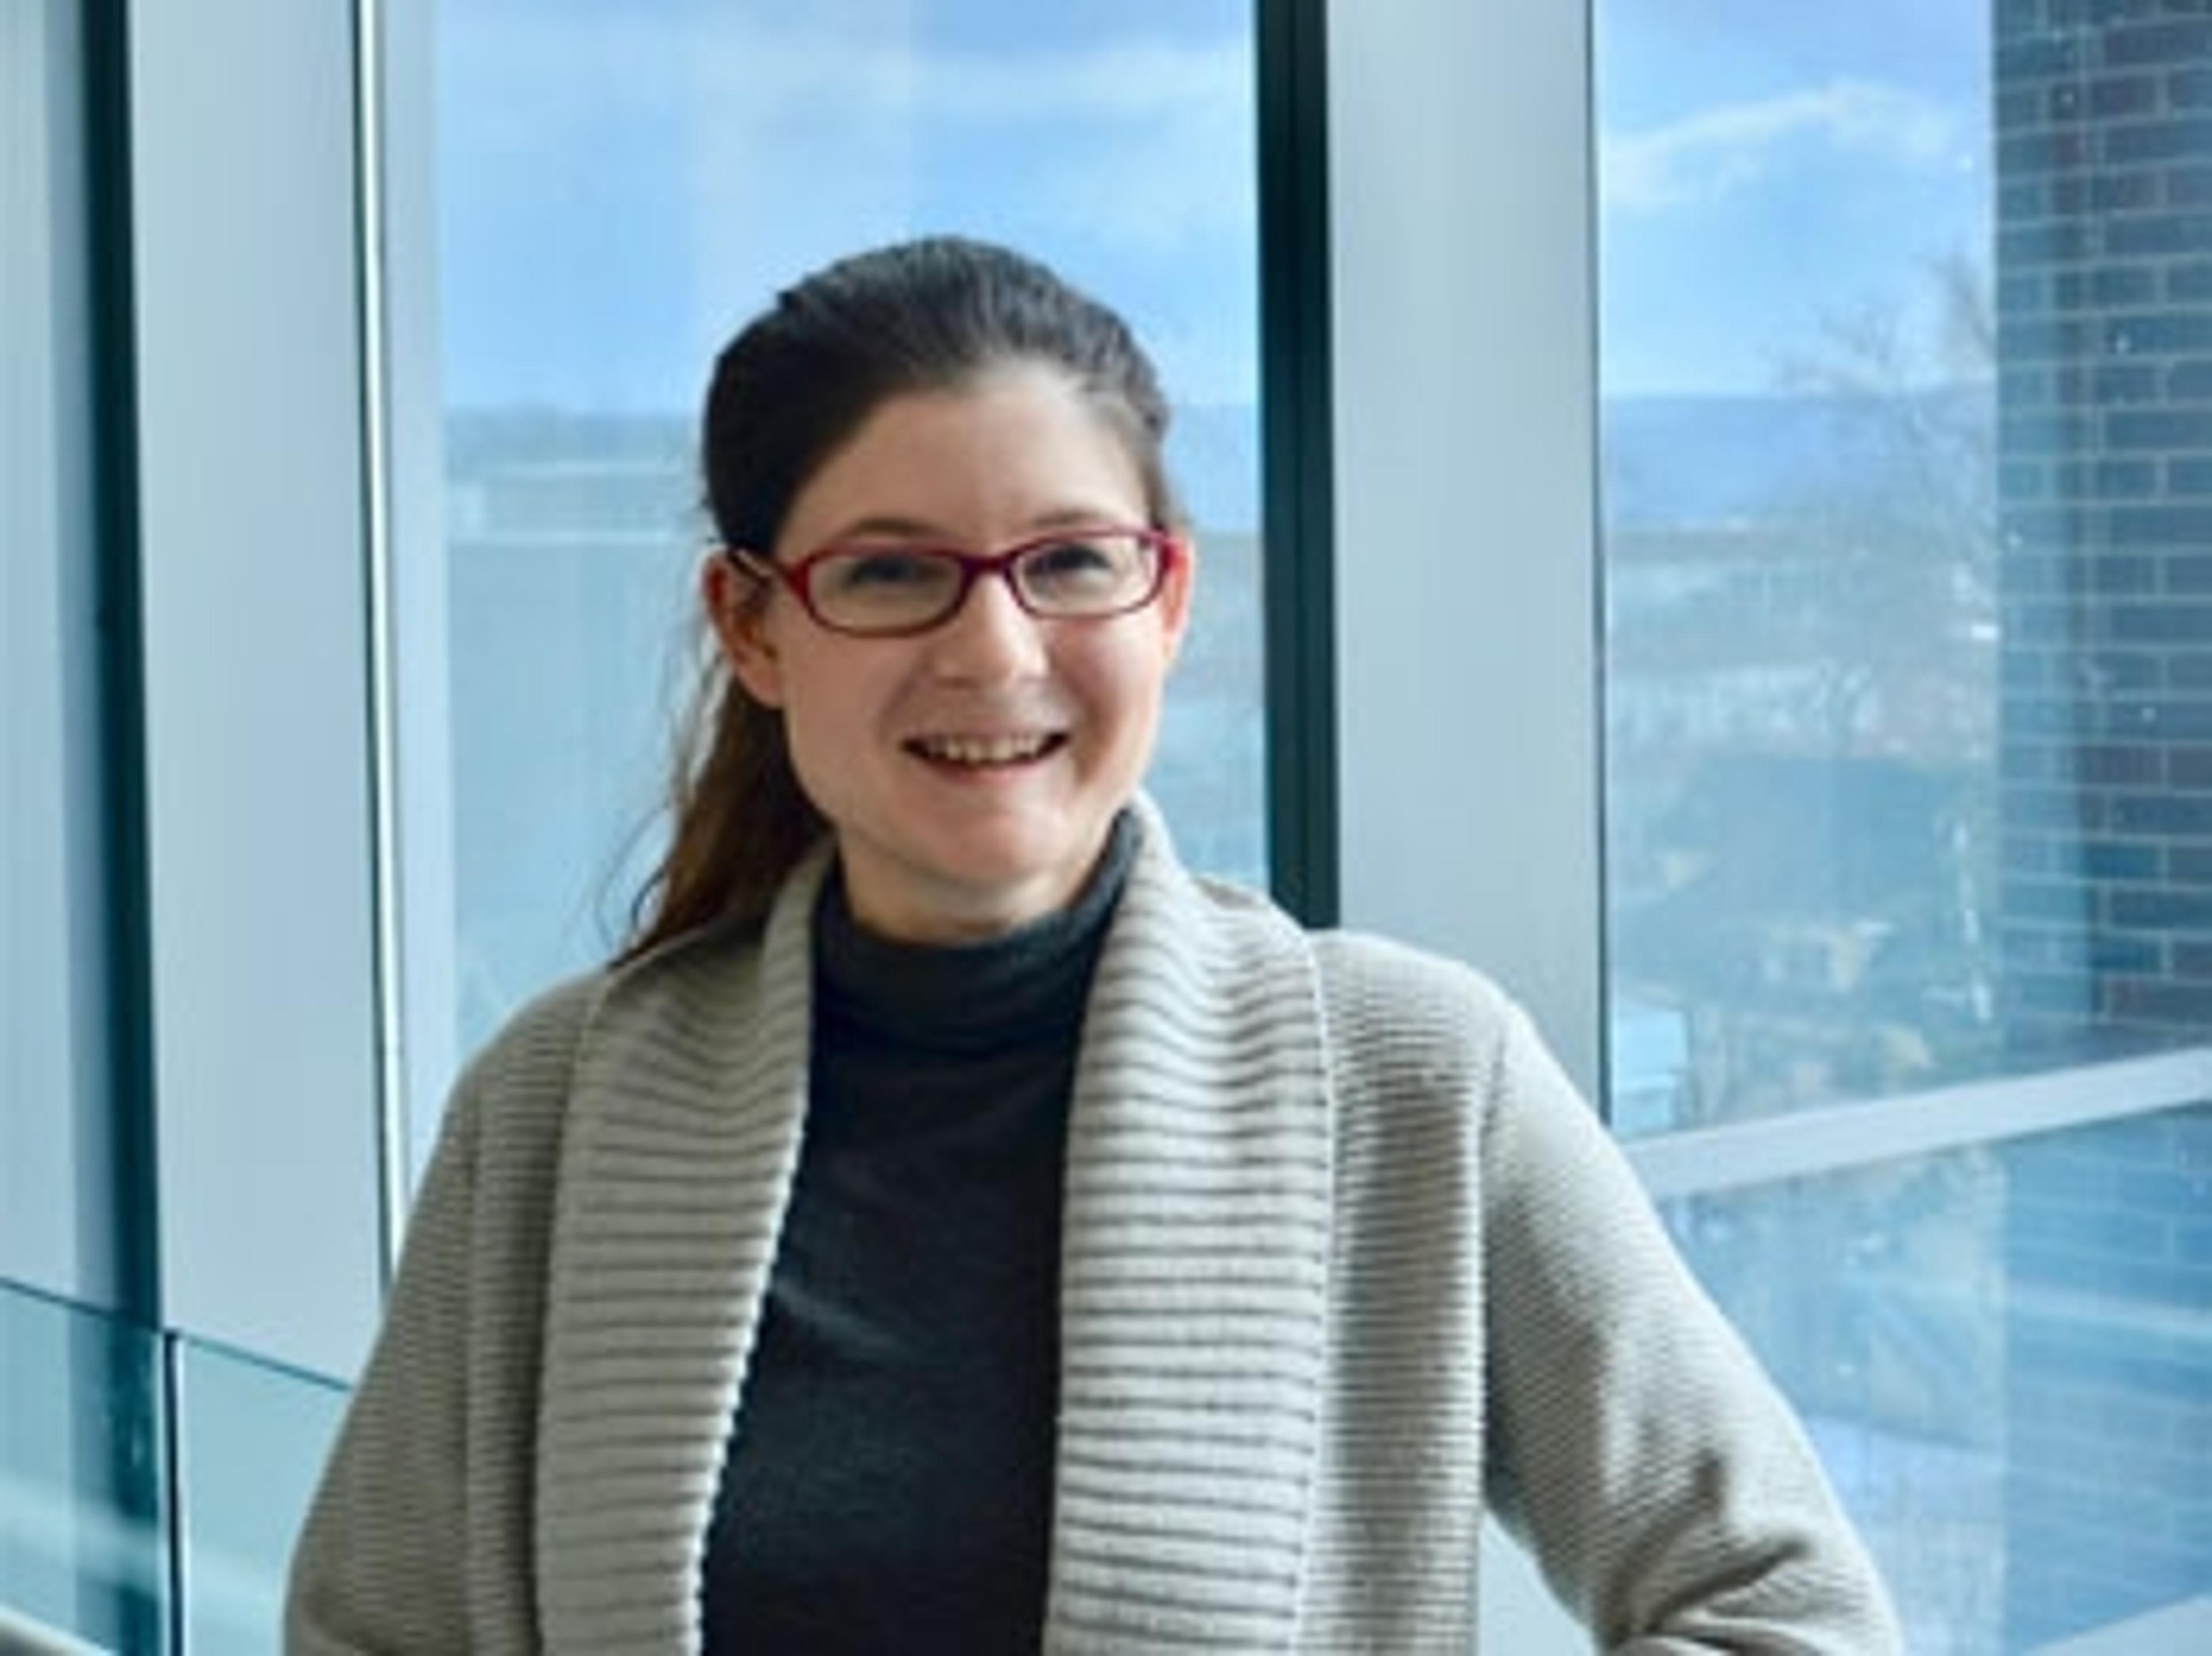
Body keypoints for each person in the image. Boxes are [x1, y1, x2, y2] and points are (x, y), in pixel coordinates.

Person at [286, 236, 1899, 1653]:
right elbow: (370, 1631)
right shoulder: (557, 1108)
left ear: (1168, 600)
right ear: (753, 625)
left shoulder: (1414, 1082)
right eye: (891, 572)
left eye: (1069, 562)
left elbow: (1791, 1609)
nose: (995, 651)